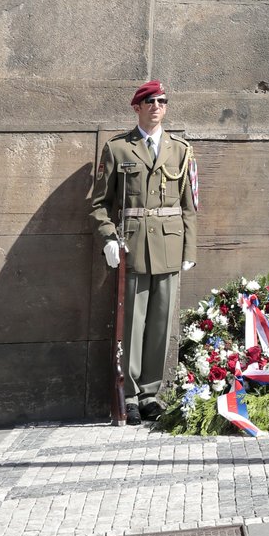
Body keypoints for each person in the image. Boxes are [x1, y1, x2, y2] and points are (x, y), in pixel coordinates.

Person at [90, 81, 198, 424]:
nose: (157, 106)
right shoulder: (118, 149)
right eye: (150, 101)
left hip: (168, 244)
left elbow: (190, 206)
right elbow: (99, 204)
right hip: (133, 246)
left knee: (161, 324)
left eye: (162, 101)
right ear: (136, 107)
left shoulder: (180, 149)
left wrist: (189, 247)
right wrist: (108, 237)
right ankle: (131, 395)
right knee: (133, 323)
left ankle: (152, 393)